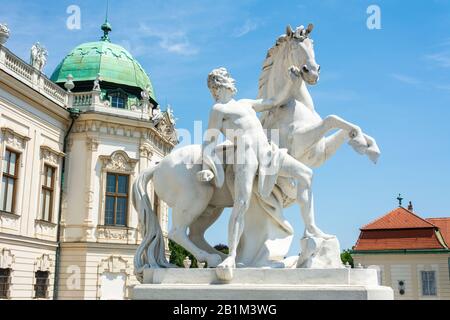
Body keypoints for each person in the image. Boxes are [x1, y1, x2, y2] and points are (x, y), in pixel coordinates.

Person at [199, 67, 331, 273]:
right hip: (246, 155)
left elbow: (273, 101)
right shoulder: (218, 110)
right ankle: (232, 255)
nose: (215, 91)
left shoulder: (244, 103)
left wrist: (291, 81)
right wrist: (209, 168)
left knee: (306, 174)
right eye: (213, 88)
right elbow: (208, 143)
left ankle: (312, 228)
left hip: (268, 151)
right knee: (241, 203)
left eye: (216, 86)